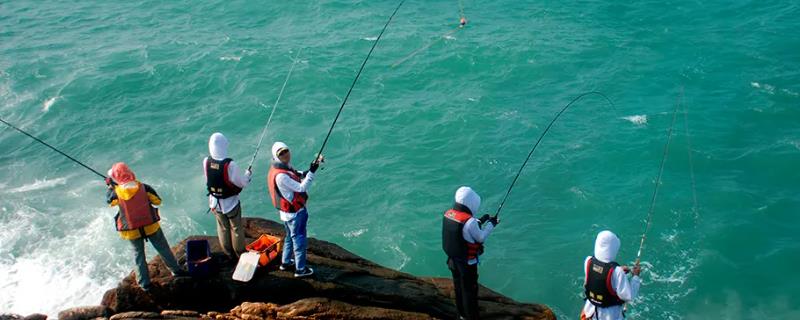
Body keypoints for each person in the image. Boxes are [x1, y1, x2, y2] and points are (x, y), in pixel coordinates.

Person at [105, 162, 185, 291]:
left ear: (116, 177)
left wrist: (110, 187)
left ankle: (144, 284)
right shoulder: (144, 187)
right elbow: (158, 201)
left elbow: (110, 203)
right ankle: (176, 271)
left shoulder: (116, 193)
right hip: (150, 226)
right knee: (163, 248)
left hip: (131, 230)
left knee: (139, 255)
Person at [441, 186, 498, 320]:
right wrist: (492, 224)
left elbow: (463, 228)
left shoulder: (448, 214)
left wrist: (482, 220)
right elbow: (480, 237)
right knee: (469, 292)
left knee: (458, 288)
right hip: (467, 264)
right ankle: (471, 317)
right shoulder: (470, 222)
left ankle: (461, 315)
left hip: (452, 260)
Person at [267, 141, 322, 278]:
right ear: (276, 156)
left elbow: (297, 174)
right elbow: (301, 188)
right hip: (295, 214)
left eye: (286, 151)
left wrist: (310, 169)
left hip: (286, 214)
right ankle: (300, 270)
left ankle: (285, 263)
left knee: (289, 238)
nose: (285, 155)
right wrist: (312, 173)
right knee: (299, 239)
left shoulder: (280, 168)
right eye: (281, 153)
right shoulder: (281, 176)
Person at [204, 132, 252, 259]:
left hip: (214, 202)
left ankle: (228, 253)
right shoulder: (230, 165)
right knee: (236, 228)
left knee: (223, 228)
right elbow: (241, 182)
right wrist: (247, 175)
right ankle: (239, 252)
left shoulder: (206, 161)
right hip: (230, 203)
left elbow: (208, 179)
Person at [581, 230, 642, 320]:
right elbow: (628, 296)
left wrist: (616, 273)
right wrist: (635, 277)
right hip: (609, 316)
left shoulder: (588, 261)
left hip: (590, 312)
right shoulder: (617, 272)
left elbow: (598, 276)